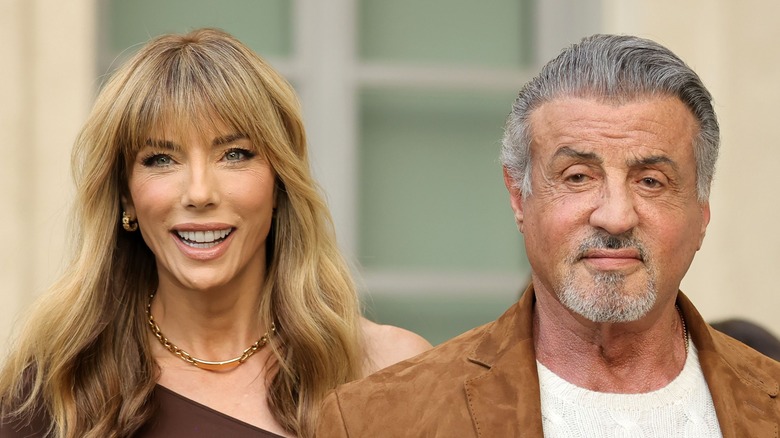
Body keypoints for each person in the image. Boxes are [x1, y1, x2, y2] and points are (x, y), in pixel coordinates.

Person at [315, 34, 780, 437]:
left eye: (651, 181)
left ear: (701, 212)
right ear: (519, 197)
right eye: (578, 177)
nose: (616, 217)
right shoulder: (378, 421)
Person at [0, 28, 431, 438]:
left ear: (279, 184)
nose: (200, 193)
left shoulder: (388, 369)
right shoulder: (54, 392)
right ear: (125, 197)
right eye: (161, 159)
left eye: (235, 154)